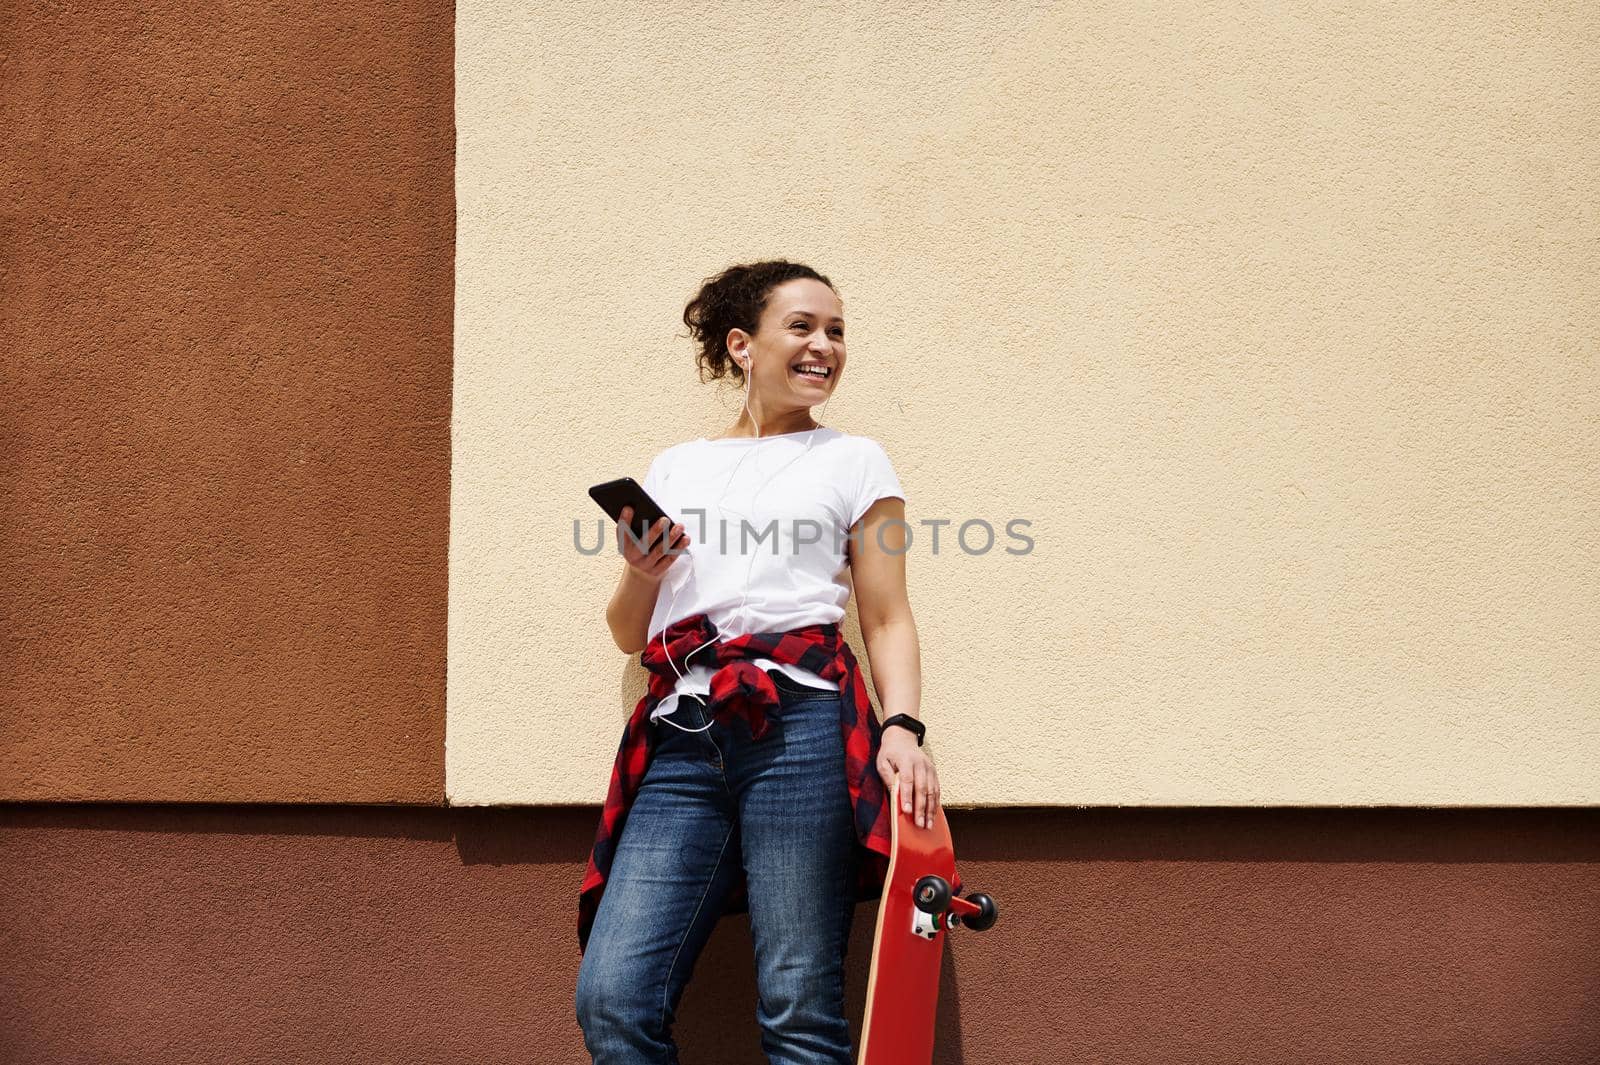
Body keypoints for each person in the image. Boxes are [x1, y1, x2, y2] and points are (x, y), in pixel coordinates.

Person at [575, 259, 941, 1064]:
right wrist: (641, 571)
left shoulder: (856, 462)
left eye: (837, 331)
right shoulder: (676, 467)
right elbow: (629, 633)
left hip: (800, 728)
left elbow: (885, 614)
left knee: (799, 1005)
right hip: (683, 736)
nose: (825, 346)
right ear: (742, 345)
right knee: (613, 998)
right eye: (802, 327)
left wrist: (904, 727)